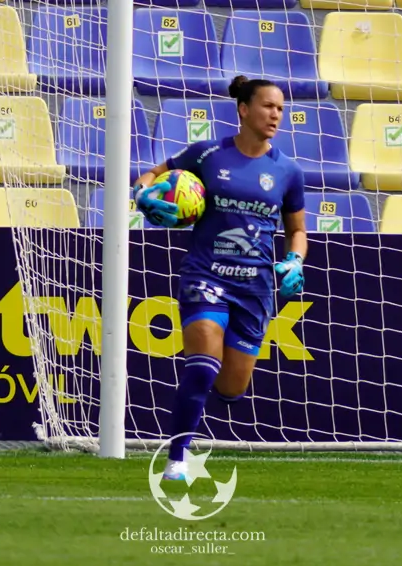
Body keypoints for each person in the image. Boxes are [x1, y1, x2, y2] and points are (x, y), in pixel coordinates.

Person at [132, 75, 308, 480]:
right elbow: (152, 175)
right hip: (206, 274)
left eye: (280, 108)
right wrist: (142, 193)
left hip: (256, 286)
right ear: (244, 110)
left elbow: (297, 231)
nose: (275, 115)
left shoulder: (287, 171)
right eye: (268, 106)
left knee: (230, 388)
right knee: (201, 365)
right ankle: (177, 459)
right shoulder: (208, 154)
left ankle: (195, 410)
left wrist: (294, 261)